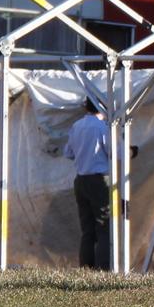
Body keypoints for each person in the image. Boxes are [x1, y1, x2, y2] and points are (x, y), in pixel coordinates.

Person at [64, 98, 112, 269]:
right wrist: (131, 151)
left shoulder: (77, 126)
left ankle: (86, 268)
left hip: (81, 180)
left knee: (87, 229)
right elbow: (114, 152)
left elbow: (68, 152)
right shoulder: (103, 127)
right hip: (99, 180)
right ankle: (104, 268)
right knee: (104, 226)